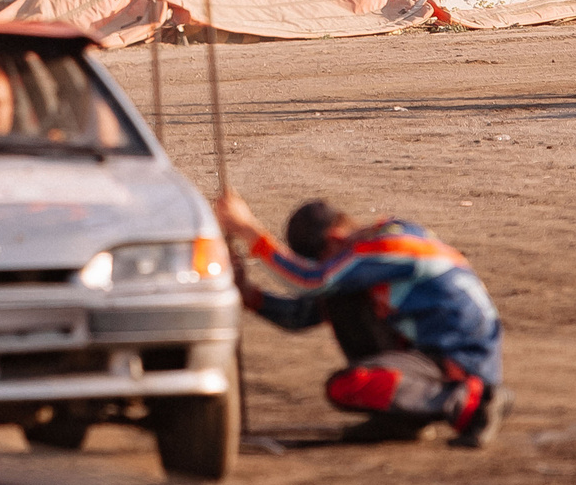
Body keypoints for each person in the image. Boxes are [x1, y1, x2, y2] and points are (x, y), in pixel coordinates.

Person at [215, 190, 507, 448]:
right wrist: (251, 296)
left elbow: (311, 281)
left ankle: (473, 401)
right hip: (436, 350)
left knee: (347, 386)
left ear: (334, 240)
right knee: (339, 299)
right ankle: (401, 420)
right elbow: (302, 314)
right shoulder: (367, 258)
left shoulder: (386, 244)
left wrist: (248, 230)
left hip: (463, 357)